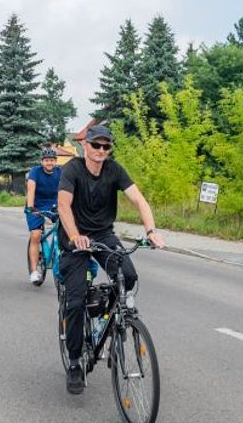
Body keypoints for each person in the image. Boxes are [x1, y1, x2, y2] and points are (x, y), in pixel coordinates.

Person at [57, 124, 165, 395]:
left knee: (128, 276)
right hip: (75, 238)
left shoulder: (114, 170)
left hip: (103, 235)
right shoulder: (72, 170)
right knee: (76, 301)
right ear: (85, 145)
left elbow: (139, 200)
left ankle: (109, 318)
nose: (101, 150)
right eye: (96, 145)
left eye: (106, 146)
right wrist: (75, 236)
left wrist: (150, 231)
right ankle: (74, 363)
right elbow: (63, 205)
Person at [23, 147, 62, 285]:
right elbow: (31, 189)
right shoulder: (35, 171)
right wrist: (30, 207)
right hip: (36, 205)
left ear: (55, 161)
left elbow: (66, 189)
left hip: (53, 204)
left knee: (65, 230)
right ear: (42, 161)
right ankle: (34, 271)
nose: (49, 163)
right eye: (46, 160)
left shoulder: (60, 172)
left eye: (52, 160)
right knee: (35, 235)